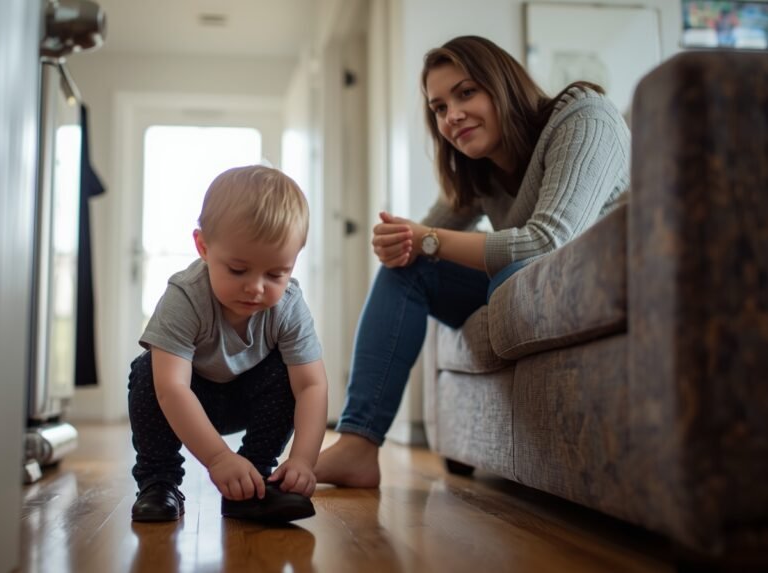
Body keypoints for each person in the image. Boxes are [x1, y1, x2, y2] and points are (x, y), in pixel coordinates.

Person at [314, 35, 630, 487]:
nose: (452, 115)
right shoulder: (479, 169)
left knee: (509, 266)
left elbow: (547, 244)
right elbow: (420, 241)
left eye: (466, 93)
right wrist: (399, 242)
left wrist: (425, 240)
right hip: (525, 285)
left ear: (501, 84)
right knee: (409, 268)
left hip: (596, 281)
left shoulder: (584, 117)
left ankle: (357, 444)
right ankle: (358, 445)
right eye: (439, 108)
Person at [128, 165, 329, 522]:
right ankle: (159, 483)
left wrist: (302, 460)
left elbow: (311, 385)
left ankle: (254, 482)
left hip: (249, 399)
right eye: (238, 270)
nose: (256, 287)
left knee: (288, 374)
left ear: (293, 261)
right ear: (203, 247)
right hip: (189, 397)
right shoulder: (185, 298)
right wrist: (219, 459)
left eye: (275, 274)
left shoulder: (288, 307)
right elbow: (172, 389)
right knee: (147, 372)